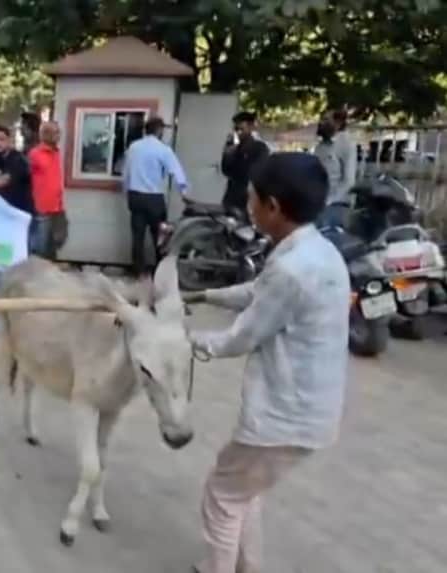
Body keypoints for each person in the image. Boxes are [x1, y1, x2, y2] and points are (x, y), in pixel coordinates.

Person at [184, 152, 349, 573]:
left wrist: (189, 340)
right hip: (313, 413)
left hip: (281, 418)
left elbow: (242, 336)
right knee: (245, 492)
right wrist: (203, 295)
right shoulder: (320, 252)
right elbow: (259, 290)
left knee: (222, 496)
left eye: (252, 199)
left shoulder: (292, 269)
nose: (248, 207)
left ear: (272, 207)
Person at [121, 116, 188, 276]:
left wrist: (126, 192)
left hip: (135, 196)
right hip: (154, 199)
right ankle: (160, 271)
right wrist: (184, 192)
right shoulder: (163, 149)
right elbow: (176, 172)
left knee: (137, 236)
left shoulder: (133, 147)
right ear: (159, 130)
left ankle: (139, 272)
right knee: (160, 236)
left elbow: (126, 173)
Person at [27, 120, 67, 259]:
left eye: (59, 132)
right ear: (45, 134)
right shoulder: (35, 154)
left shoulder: (56, 153)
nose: (59, 135)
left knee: (55, 245)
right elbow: (26, 178)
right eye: (56, 132)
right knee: (40, 248)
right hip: (41, 209)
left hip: (57, 207)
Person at [314, 109, 358, 229]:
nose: (321, 123)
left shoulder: (346, 144)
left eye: (326, 120)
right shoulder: (321, 146)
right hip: (319, 204)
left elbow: (349, 181)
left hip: (337, 205)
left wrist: (329, 200)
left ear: (338, 123)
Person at [220, 111, 270, 215]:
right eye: (236, 129)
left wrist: (241, 153)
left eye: (241, 129)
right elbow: (226, 171)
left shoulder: (260, 148)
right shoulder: (235, 147)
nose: (238, 132)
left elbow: (252, 173)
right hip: (231, 197)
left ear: (251, 127)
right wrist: (227, 155)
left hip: (248, 200)